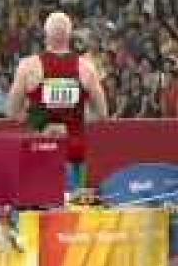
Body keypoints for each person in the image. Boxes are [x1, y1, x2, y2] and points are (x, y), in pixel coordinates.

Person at [7, 12, 108, 192]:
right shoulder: (86, 67)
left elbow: (12, 111)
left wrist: (36, 120)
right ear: (70, 35)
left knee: (37, 210)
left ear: (46, 34)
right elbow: (102, 113)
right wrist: (76, 120)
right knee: (72, 213)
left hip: (39, 149)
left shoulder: (28, 66)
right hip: (73, 149)